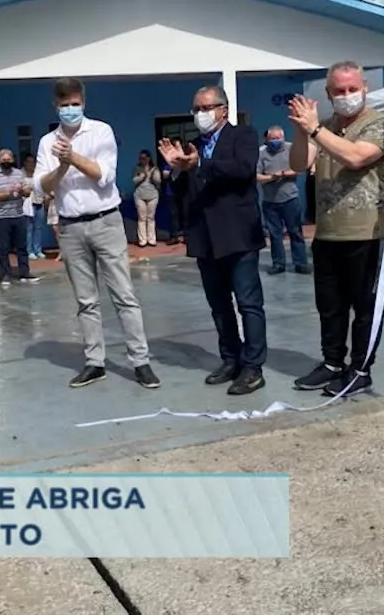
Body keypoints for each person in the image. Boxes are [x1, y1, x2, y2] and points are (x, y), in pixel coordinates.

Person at [37, 77, 157, 389]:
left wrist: (72, 157)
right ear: (56, 106)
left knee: (123, 294)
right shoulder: (47, 142)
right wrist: (62, 167)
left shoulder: (101, 131)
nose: (70, 110)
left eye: (75, 104)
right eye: (64, 105)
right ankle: (95, 362)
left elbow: (104, 176)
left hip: (106, 222)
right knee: (86, 300)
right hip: (71, 228)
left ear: (83, 103)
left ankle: (140, 360)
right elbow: (41, 187)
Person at [287, 62, 384, 396]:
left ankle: (360, 369)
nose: (346, 96)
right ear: (328, 93)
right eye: (339, 91)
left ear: (364, 87)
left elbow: (356, 158)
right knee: (330, 306)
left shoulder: (380, 124)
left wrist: (316, 130)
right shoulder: (328, 125)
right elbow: (298, 163)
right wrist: (303, 130)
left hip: (367, 233)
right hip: (328, 232)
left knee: (364, 307)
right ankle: (332, 362)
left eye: (352, 89)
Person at [159, 84, 266, 395]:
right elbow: (182, 194)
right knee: (219, 305)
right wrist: (176, 171)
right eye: (196, 109)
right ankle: (230, 358)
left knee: (248, 304)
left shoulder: (242, 136)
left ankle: (253, 366)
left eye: (206, 108)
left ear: (223, 110)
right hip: (205, 237)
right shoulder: (191, 147)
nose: (200, 114)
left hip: (238, 235)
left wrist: (199, 165)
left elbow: (242, 170)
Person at [256, 125, 310, 275]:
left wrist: (286, 173)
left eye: (278, 138)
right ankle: (278, 264)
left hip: (290, 199)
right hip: (270, 202)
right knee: (275, 234)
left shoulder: (291, 148)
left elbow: (301, 168)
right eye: (273, 139)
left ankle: (300, 263)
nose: (276, 141)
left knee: (295, 232)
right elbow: (257, 176)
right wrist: (271, 177)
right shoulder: (261, 153)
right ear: (267, 139)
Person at [0, 149, 40, 285]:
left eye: (9, 160)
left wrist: (22, 190)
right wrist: (8, 193)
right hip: (1, 217)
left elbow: (27, 193)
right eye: (4, 160)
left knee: (22, 246)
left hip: (18, 215)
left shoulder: (18, 173)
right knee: (3, 248)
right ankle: (5, 274)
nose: (6, 162)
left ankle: (24, 272)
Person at [131, 150, 161, 247]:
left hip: (152, 195)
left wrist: (153, 176)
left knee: (151, 217)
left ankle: (151, 239)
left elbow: (158, 181)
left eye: (144, 158)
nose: (142, 160)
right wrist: (142, 176)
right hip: (140, 195)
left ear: (149, 158)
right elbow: (134, 180)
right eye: (140, 158)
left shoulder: (155, 168)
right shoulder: (137, 168)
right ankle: (142, 240)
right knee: (142, 217)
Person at [24, 154, 48, 259]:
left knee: (38, 228)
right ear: (25, 163)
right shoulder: (21, 174)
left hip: (39, 202)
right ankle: (29, 250)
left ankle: (38, 249)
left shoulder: (37, 174)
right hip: (28, 204)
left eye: (33, 162)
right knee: (29, 228)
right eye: (29, 162)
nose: (31, 164)